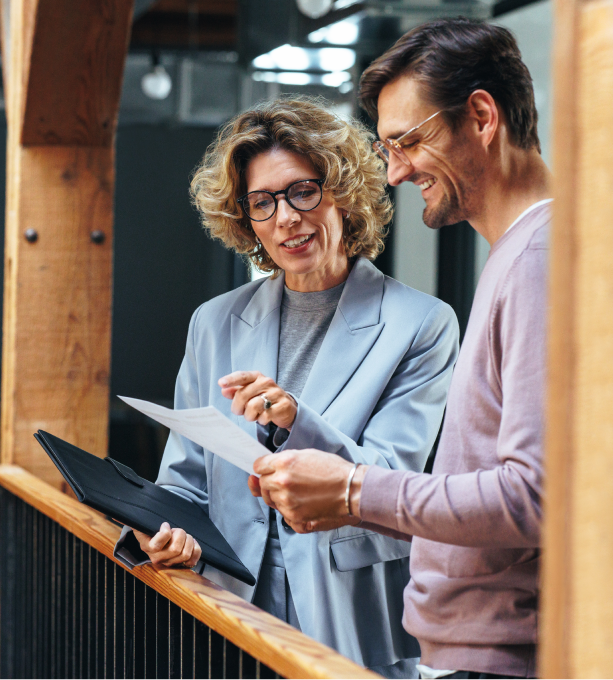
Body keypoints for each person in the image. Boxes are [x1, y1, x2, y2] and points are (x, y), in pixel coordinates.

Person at [113, 97, 459, 679]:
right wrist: (169, 536)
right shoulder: (215, 320)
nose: (286, 218)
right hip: (231, 600)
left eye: (303, 191)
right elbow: (186, 481)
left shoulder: (421, 324)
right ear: (245, 219)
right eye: (262, 203)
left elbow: (388, 482)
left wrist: (299, 418)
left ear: (343, 192)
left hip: (346, 609)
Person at [251, 19, 551, 680]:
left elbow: (535, 497)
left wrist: (355, 489)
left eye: (406, 141)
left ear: (480, 116)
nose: (394, 171)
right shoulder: (517, 254)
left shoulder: (539, 257)